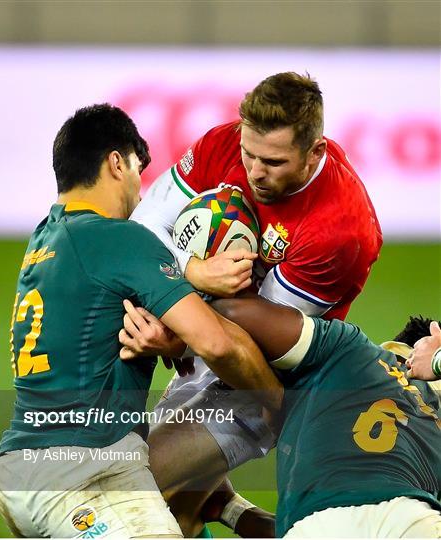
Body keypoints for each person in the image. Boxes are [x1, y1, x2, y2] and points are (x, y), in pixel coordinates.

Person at [0, 104, 283, 539]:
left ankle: (229, 508)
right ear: (115, 162)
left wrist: (169, 334)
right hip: (81, 476)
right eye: (136, 172)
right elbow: (219, 344)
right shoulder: (120, 239)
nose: (140, 192)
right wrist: (279, 405)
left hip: (30, 468)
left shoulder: (45, 241)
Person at [128, 71, 383, 534]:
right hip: (209, 336)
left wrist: (175, 333)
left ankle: (229, 508)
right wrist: (191, 274)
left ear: (315, 152)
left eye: (273, 161)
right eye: (249, 154)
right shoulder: (225, 142)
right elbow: (143, 226)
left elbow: (249, 333)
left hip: (268, 382)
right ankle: (235, 513)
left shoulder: (341, 230)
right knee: (172, 512)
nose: (254, 172)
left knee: (133, 487)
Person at [123, 297, 441, 538]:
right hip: (416, 521)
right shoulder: (435, 430)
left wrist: (177, 322)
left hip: (321, 526)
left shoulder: (350, 349)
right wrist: (233, 510)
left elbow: (233, 313)